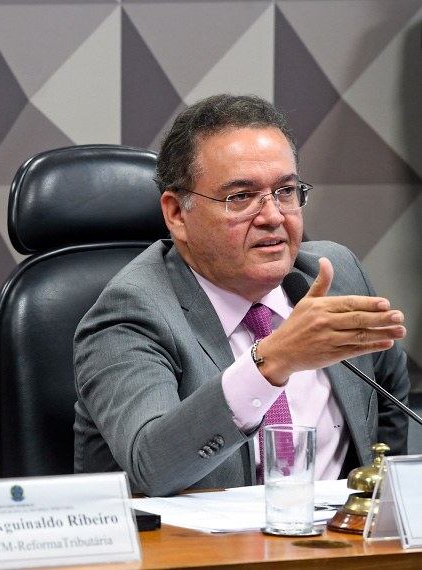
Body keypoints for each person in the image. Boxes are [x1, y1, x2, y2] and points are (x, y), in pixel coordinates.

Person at [73, 94, 410, 496]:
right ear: (177, 214)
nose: (272, 216)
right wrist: (271, 363)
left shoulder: (334, 274)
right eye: (241, 197)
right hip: (199, 554)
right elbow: (154, 468)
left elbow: (389, 397)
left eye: (285, 191)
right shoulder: (132, 313)